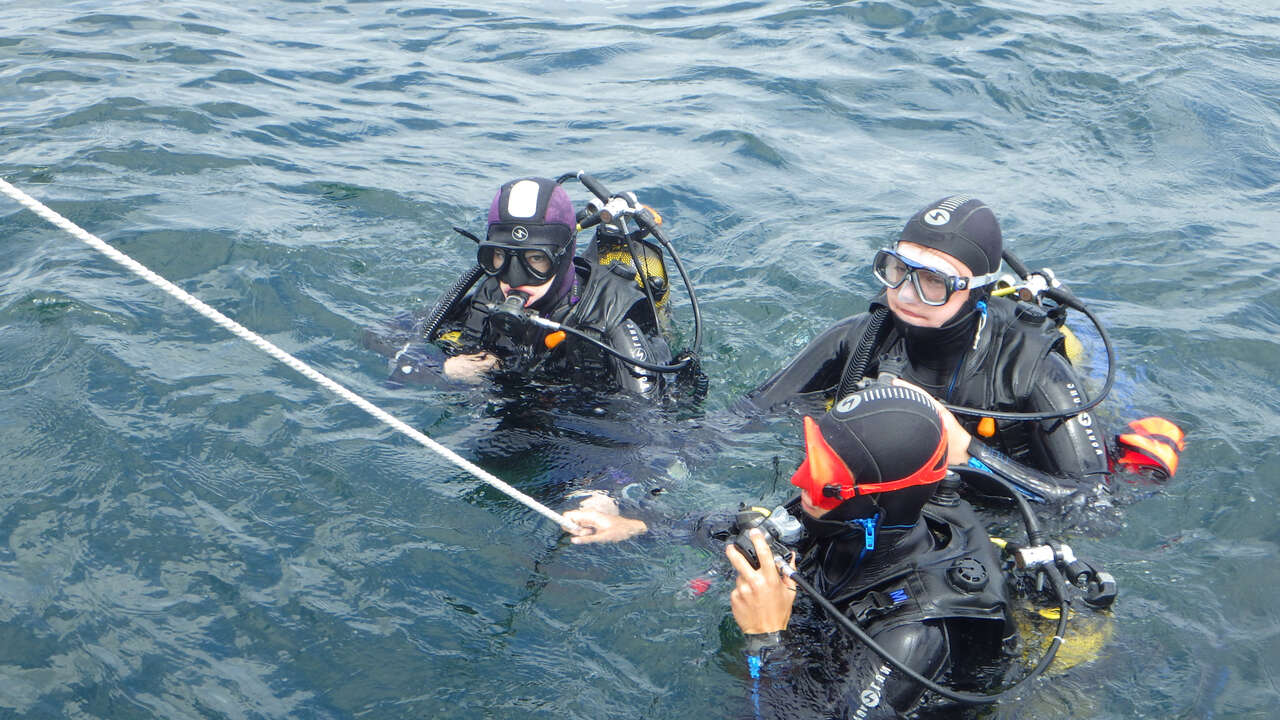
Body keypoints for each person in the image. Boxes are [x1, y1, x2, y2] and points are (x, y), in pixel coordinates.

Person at [745, 195, 1173, 503]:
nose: (907, 294)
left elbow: (1092, 504)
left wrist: (970, 453)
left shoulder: (1032, 369)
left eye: (934, 281)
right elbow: (748, 416)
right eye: (899, 270)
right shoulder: (860, 337)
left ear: (977, 292)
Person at [726, 384, 1012, 718]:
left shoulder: (911, 640)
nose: (800, 479)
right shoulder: (845, 518)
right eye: (814, 459)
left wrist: (766, 638)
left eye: (824, 478)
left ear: (877, 501)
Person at [367, 175, 683, 401]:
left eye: (535, 260)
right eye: (501, 257)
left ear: (562, 257)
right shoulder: (488, 294)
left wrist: (611, 489)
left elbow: (650, 429)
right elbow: (378, 336)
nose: (515, 279)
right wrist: (442, 368)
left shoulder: (609, 320)